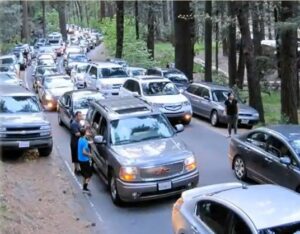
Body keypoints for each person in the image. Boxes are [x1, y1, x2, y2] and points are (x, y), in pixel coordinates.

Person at [78, 127, 93, 193]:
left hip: (80, 159)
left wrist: (90, 142)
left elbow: (85, 142)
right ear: (84, 133)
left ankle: (84, 186)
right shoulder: (84, 142)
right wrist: (89, 155)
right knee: (89, 175)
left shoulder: (80, 139)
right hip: (85, 160)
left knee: (85, 174)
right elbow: (84, 152)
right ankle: (85, 187)